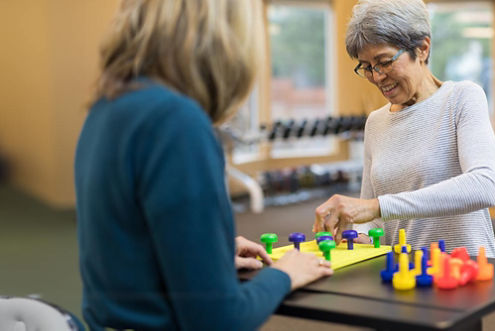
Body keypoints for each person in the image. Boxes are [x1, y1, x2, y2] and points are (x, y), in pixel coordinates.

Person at [74, 1, 332, 329]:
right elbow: (219, 321)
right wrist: (284, 275)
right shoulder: (176, 121)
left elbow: (128, 247)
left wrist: (210, 255)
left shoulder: (107, 107)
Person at [313, 0, 495, 258]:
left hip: (463, 270)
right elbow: (376, 219)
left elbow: (485, 185)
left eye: (384, 61)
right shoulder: (376, 123)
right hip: (402, 272)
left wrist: (377, 207)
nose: (377, 77)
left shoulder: (462, 98)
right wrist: (358, 234)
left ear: (422, 48)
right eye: (366, 67)